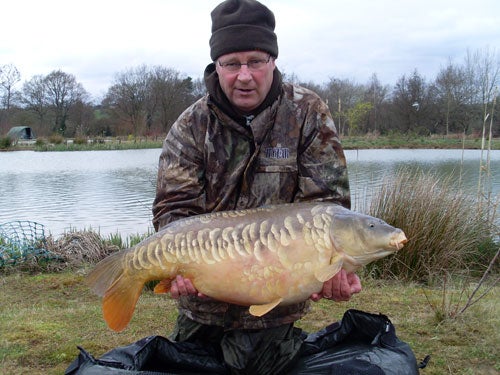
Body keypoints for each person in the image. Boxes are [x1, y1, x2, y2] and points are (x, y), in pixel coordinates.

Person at [152, 0, 361, 373]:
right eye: (231, 63)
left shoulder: (306, 112)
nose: (244, 76)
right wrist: (178, 272)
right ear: (216, 65)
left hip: (277, 306)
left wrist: (333, 269)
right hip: (203, 303)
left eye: (256, 61)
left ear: (273, 61)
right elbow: (174, 211)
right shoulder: (191, 126)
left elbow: (329, 209)